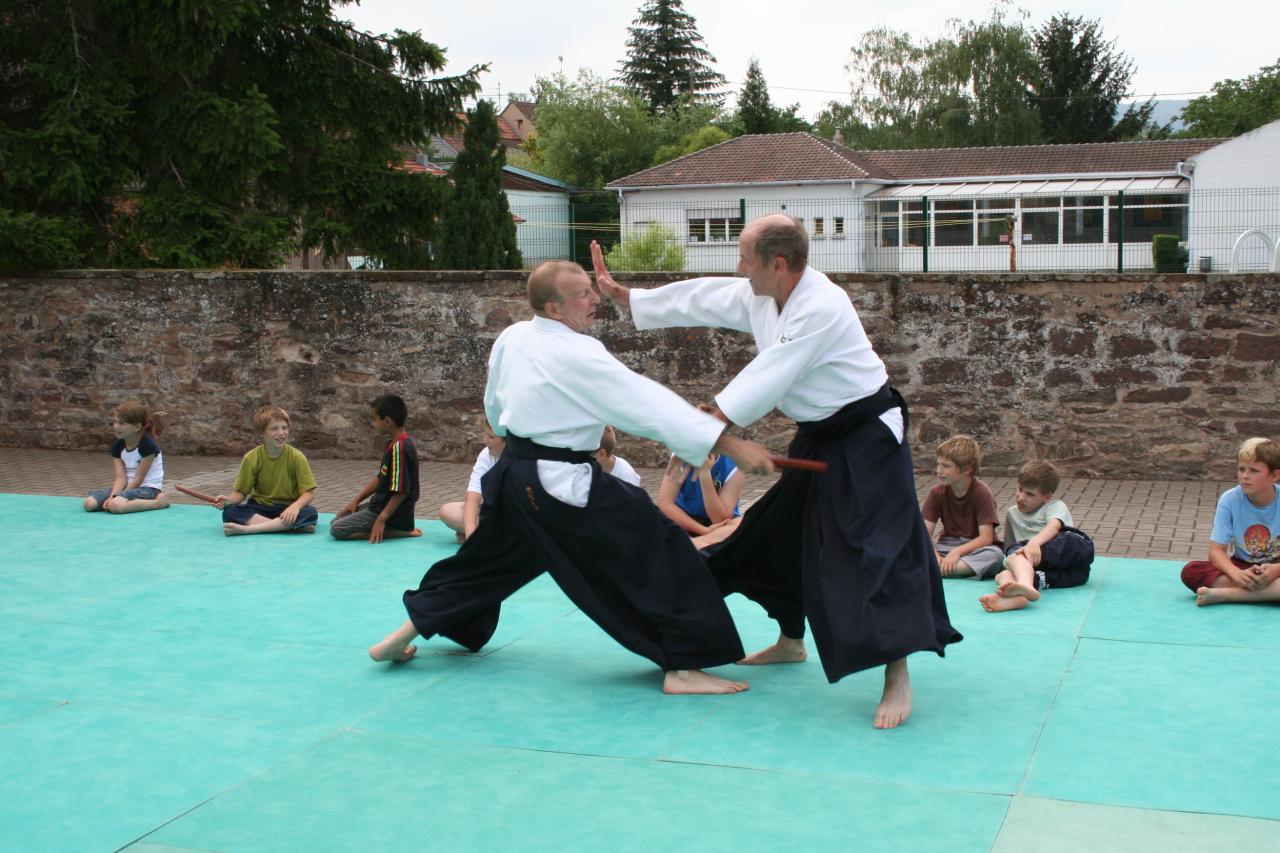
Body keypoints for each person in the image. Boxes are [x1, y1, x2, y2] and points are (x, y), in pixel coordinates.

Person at [591, 215, 961, 729]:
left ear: (778, 264)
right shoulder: (761, 293)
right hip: (818, 435)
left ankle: (896, 670)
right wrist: (628, 297)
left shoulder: (822, 306)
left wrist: (710, 424)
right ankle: (791, 640)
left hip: (867, 436)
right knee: (775, 536)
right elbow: (703, 297)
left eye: (745, 258)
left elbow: (768, 375)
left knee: (877, 549)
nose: (738, 268)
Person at [369, 260, 777, 696]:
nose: (595, 300)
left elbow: (494, 405)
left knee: (487, 562)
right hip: (560, 482)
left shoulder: (513, 337)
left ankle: (397, 638)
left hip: (514, 474)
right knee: (661, 548)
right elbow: (643, 402)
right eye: (583, 294)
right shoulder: (579, 353)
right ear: (553, 307)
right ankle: (683, 665)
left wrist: (513, 442)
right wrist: (727, 444)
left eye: (591, 291)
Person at [979, 460, 1094, 613]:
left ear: (1046, 497)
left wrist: (1034, 543)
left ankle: (1024, 586)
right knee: (1005, 572)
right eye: (1020, 489)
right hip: (1072, 574)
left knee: (1017, 555)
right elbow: (1010, 550)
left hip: (1071, 552)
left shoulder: (1054, 506)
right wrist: (1013, 563)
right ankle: (1014, 598)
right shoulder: (1012, 513)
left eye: (1029, 494)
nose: (1021, 497)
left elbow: (1054, 526)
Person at [1181, 437, 1280, 606]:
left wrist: (1276, 570)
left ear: (1275, 475)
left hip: (1277, 568)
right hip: (1243, 566)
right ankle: (1269, 592)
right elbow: (1216, 551)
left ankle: (1229, 594)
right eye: (1241, 469)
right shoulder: (1230, 499)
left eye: (1254, 471)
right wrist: (1236, 574)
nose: (1245, 476)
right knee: (1191, 571)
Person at [214, 404, 319, 535]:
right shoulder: (251, 457)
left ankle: (251, 529)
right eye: (274, 429)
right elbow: (241, 492)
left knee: (310, 513)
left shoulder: (297, 457)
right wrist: (228, 501)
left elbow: (309, 493)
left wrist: (294, 507)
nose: (281, 433)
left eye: (284, 428)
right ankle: (286, 526)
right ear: (261, 432)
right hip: (259, 506)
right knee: (230, 511)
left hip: (286, 507)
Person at [331, 394, 422, 543]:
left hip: (394, 514)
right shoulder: (392, 444)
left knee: (337, 530)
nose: (372, 423)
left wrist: (381, 519)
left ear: (387, 421)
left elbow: (401, 491)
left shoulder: (400, 448)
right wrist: (355, 500)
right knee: (337, 520)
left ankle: (396, 532)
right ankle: (384, 525)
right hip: (379, 506)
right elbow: (381, 478)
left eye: (374, 419)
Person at [922, 435, 1003, 580]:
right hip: (946, 546)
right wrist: (935, 557)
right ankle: (945, 568)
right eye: (938, 464)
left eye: (946, 466)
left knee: (996, 556)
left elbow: (986, 538)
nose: (939, 470)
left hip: (975, 549)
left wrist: (957, 553)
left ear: (967, 469)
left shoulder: (982, 492)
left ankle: (937, 570)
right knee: (911, 547)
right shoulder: (936, 493)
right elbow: (923, 534)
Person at [657, 405, 743, 538]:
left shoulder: (735, 464)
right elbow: (665, 504)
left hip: (721, 523)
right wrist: (704, 531)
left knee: (737, 527)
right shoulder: (681, 456)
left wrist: (705, 474)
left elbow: (719, 519)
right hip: (685, 517)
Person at [83, 400, 170, 514]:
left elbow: (139, 479)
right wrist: (112, 496)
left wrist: (118, 497)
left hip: (148, 489)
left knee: (115, 506)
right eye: (115, 422)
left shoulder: (148, 446)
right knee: (89, 504)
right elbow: (120, 478)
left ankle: (158, 503)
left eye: (122, 423)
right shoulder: (117, 447)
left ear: (137, 427)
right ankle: (120, 500)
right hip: (127, 487)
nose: (116, 427)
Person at [439, 425, 506, 543]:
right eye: (485, 434)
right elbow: (472, 499)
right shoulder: (486, 454)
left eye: (491, 436)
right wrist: (472, 541)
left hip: (518, 518)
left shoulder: (523, 459)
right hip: (495, 516)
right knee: (448, 510)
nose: (485, 440)